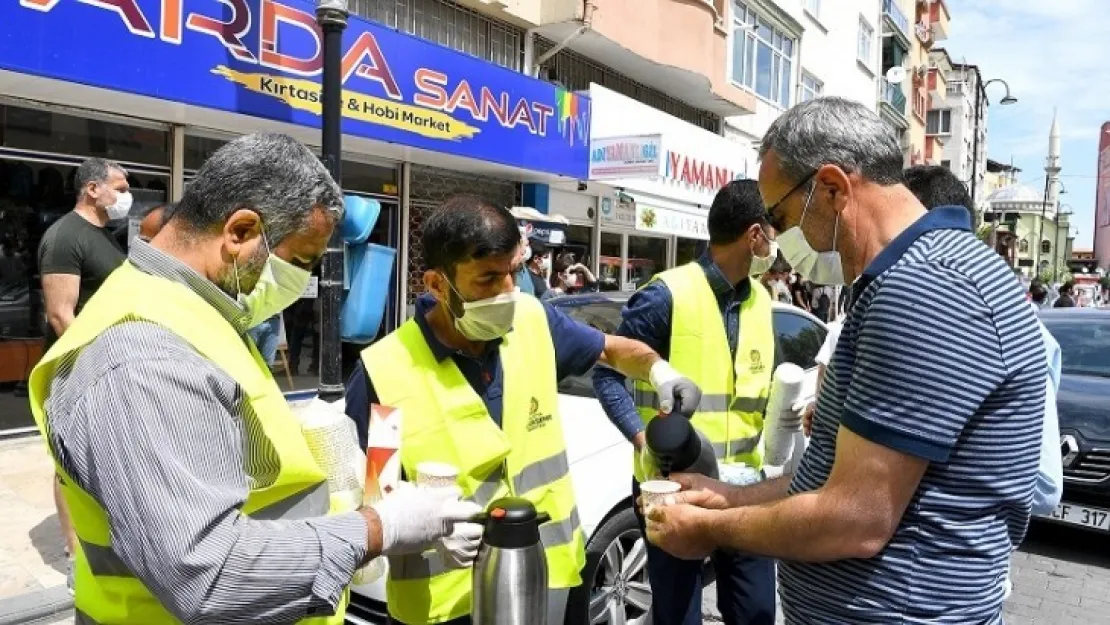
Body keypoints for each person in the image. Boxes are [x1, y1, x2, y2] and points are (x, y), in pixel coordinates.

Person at [28, 134, 475, 624]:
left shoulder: (191, 310)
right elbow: (207, 575)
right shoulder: (144, 355)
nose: (300, 282)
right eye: (300, 262)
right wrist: (377, 529)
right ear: (241, 231)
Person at [646, 98, 1046, 625]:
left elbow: (856, 519)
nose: (786, 244)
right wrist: (727, 498)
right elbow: (829, 480)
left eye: (782, 216)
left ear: (832, 188)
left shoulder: (927, 290)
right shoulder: (917, 277)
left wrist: (709, 531)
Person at [343, 195, 702, 625]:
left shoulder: (532, 321)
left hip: (546, 584)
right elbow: (371, 498)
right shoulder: (385, 372)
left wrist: (659, 371)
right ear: (437, 285)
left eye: (513, 272)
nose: (508, 291)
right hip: (445, 609)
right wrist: (429, 534)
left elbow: (610, 351)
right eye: (488, 279)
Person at [593, 180, 785, 625]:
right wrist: (642, 439)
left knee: (757, 612)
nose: (777, 243)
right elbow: (607, 373)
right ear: (755, 235)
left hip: (744, 489)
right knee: (679, 616)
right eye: (774, 232)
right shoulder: (666, 295)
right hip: (674, 490)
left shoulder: (762, 300)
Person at [36, 157, 129, 589]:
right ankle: (78, 559)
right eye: (120, 186)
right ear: (93, 189)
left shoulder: (106, 237)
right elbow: (60, 315)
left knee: (108, 460)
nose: (127, 194)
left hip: (114, 365)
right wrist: (97, 364)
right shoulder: (64, 237)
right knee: (70, 467)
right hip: (80, 369)